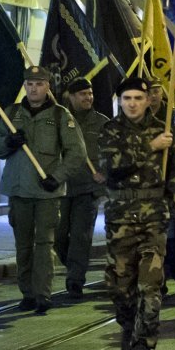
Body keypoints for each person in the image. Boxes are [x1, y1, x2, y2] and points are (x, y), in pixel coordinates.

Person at [99, 77, 175, 350]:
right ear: (120, 102)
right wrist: (150, 146)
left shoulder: (165, 131)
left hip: (153, 219)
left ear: (148, 100)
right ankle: (126, 323)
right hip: (120, 216)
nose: (132, 103)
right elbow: (112, 167)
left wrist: (172, 208)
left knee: (151, 285)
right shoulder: (111, 130)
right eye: (127, 99)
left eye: (138, 98)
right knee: (120, 286)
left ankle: (145, 344)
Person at [0, 66, 86, 314]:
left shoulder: (60, 115)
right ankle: (27, 293)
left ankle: (43, 294)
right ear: (25, 86)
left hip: (46, 193)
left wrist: (57, 177)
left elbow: (77, 154)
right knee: (22, 245)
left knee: (44, 245)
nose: (34, 88)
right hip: (19, 190)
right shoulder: (11, 113)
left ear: (48, 87)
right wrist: (9, 142)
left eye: (39, 84)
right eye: (30, 84)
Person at [55, 77, 108, 299]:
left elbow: (111, 152)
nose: (88, 97)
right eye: (83, 94)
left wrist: (104, 172)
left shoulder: (102, 123)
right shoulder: (59, 119)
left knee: (81, 236)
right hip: (62, 187)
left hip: (88, 188)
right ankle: (73, 264)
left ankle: (75, 279)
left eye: (90, 93)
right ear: (71, 96)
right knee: (58, 237)